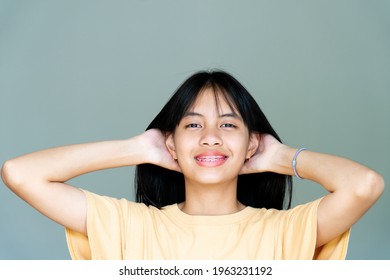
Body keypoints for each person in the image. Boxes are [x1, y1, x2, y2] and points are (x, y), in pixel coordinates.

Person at [1, 70, 384, 260]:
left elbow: (364, 185)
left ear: (253, 141)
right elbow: (20, 173)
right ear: (171, 141)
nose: (211, 137)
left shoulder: (287, 232)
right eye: (193, 124)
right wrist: (140, 147)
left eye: (229, 124)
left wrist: (279, 156)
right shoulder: (129, 225)